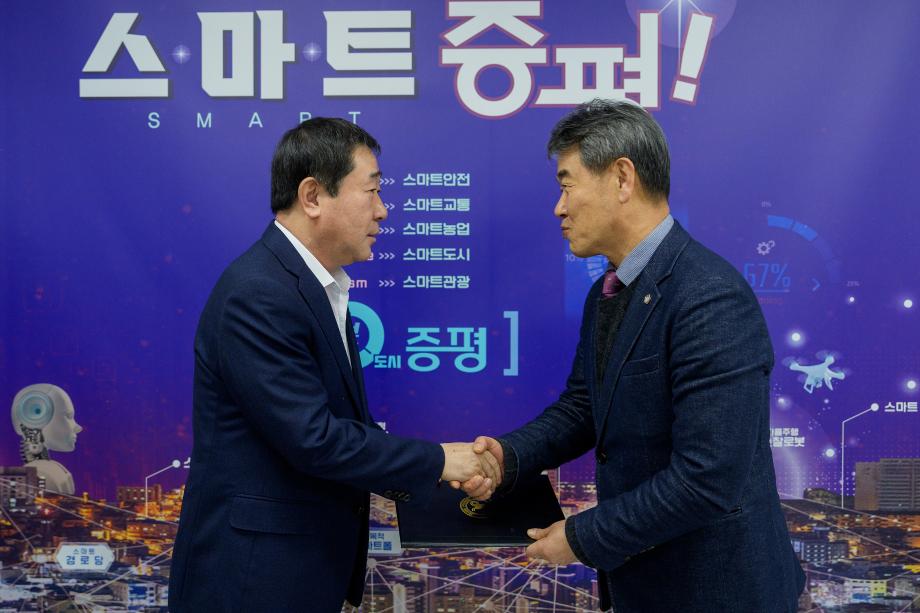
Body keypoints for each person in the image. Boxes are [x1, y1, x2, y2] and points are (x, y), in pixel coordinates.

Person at [470, 99, 806, 611]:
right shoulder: (607, 291)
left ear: (622, 178)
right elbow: (584, 406)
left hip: (716, 592)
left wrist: (581, 536)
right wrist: (507, 455)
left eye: (567, 185)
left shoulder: (708, 297)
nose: (559, 208)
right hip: (647, 586)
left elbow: (709, 477)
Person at [169, 118, 499, 612]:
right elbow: (314, 439)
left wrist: (441, 474)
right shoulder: (259, 293)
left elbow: (343, 433)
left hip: (295, 572)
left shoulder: (311, 286)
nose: (383, 211)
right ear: (312, 196)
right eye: (372, 191)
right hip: (251, 581)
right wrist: (440, 461)